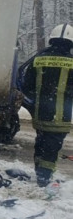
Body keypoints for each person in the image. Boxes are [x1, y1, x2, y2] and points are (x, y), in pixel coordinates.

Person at [20, 23, 73, 187]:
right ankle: (44, 178)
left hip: (40, 114)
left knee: (41, 143)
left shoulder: (38, 59)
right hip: (61, 117)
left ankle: (40, 173)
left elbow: (26, 85)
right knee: (52, 147)